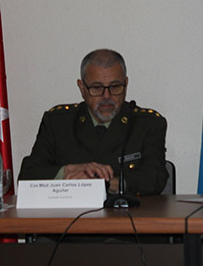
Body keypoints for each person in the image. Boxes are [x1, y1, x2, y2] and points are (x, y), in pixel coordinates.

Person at [18, 49, 167, 196]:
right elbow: (28, 175)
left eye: (115, 86)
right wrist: (67, 172)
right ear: (82, 88)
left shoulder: (148, 124)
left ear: (126, 84)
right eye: (97, 88)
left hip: (127, 216)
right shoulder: (58, 123)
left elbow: (155, 179)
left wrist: (104, 183)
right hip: (69, 216)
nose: (106, 96)